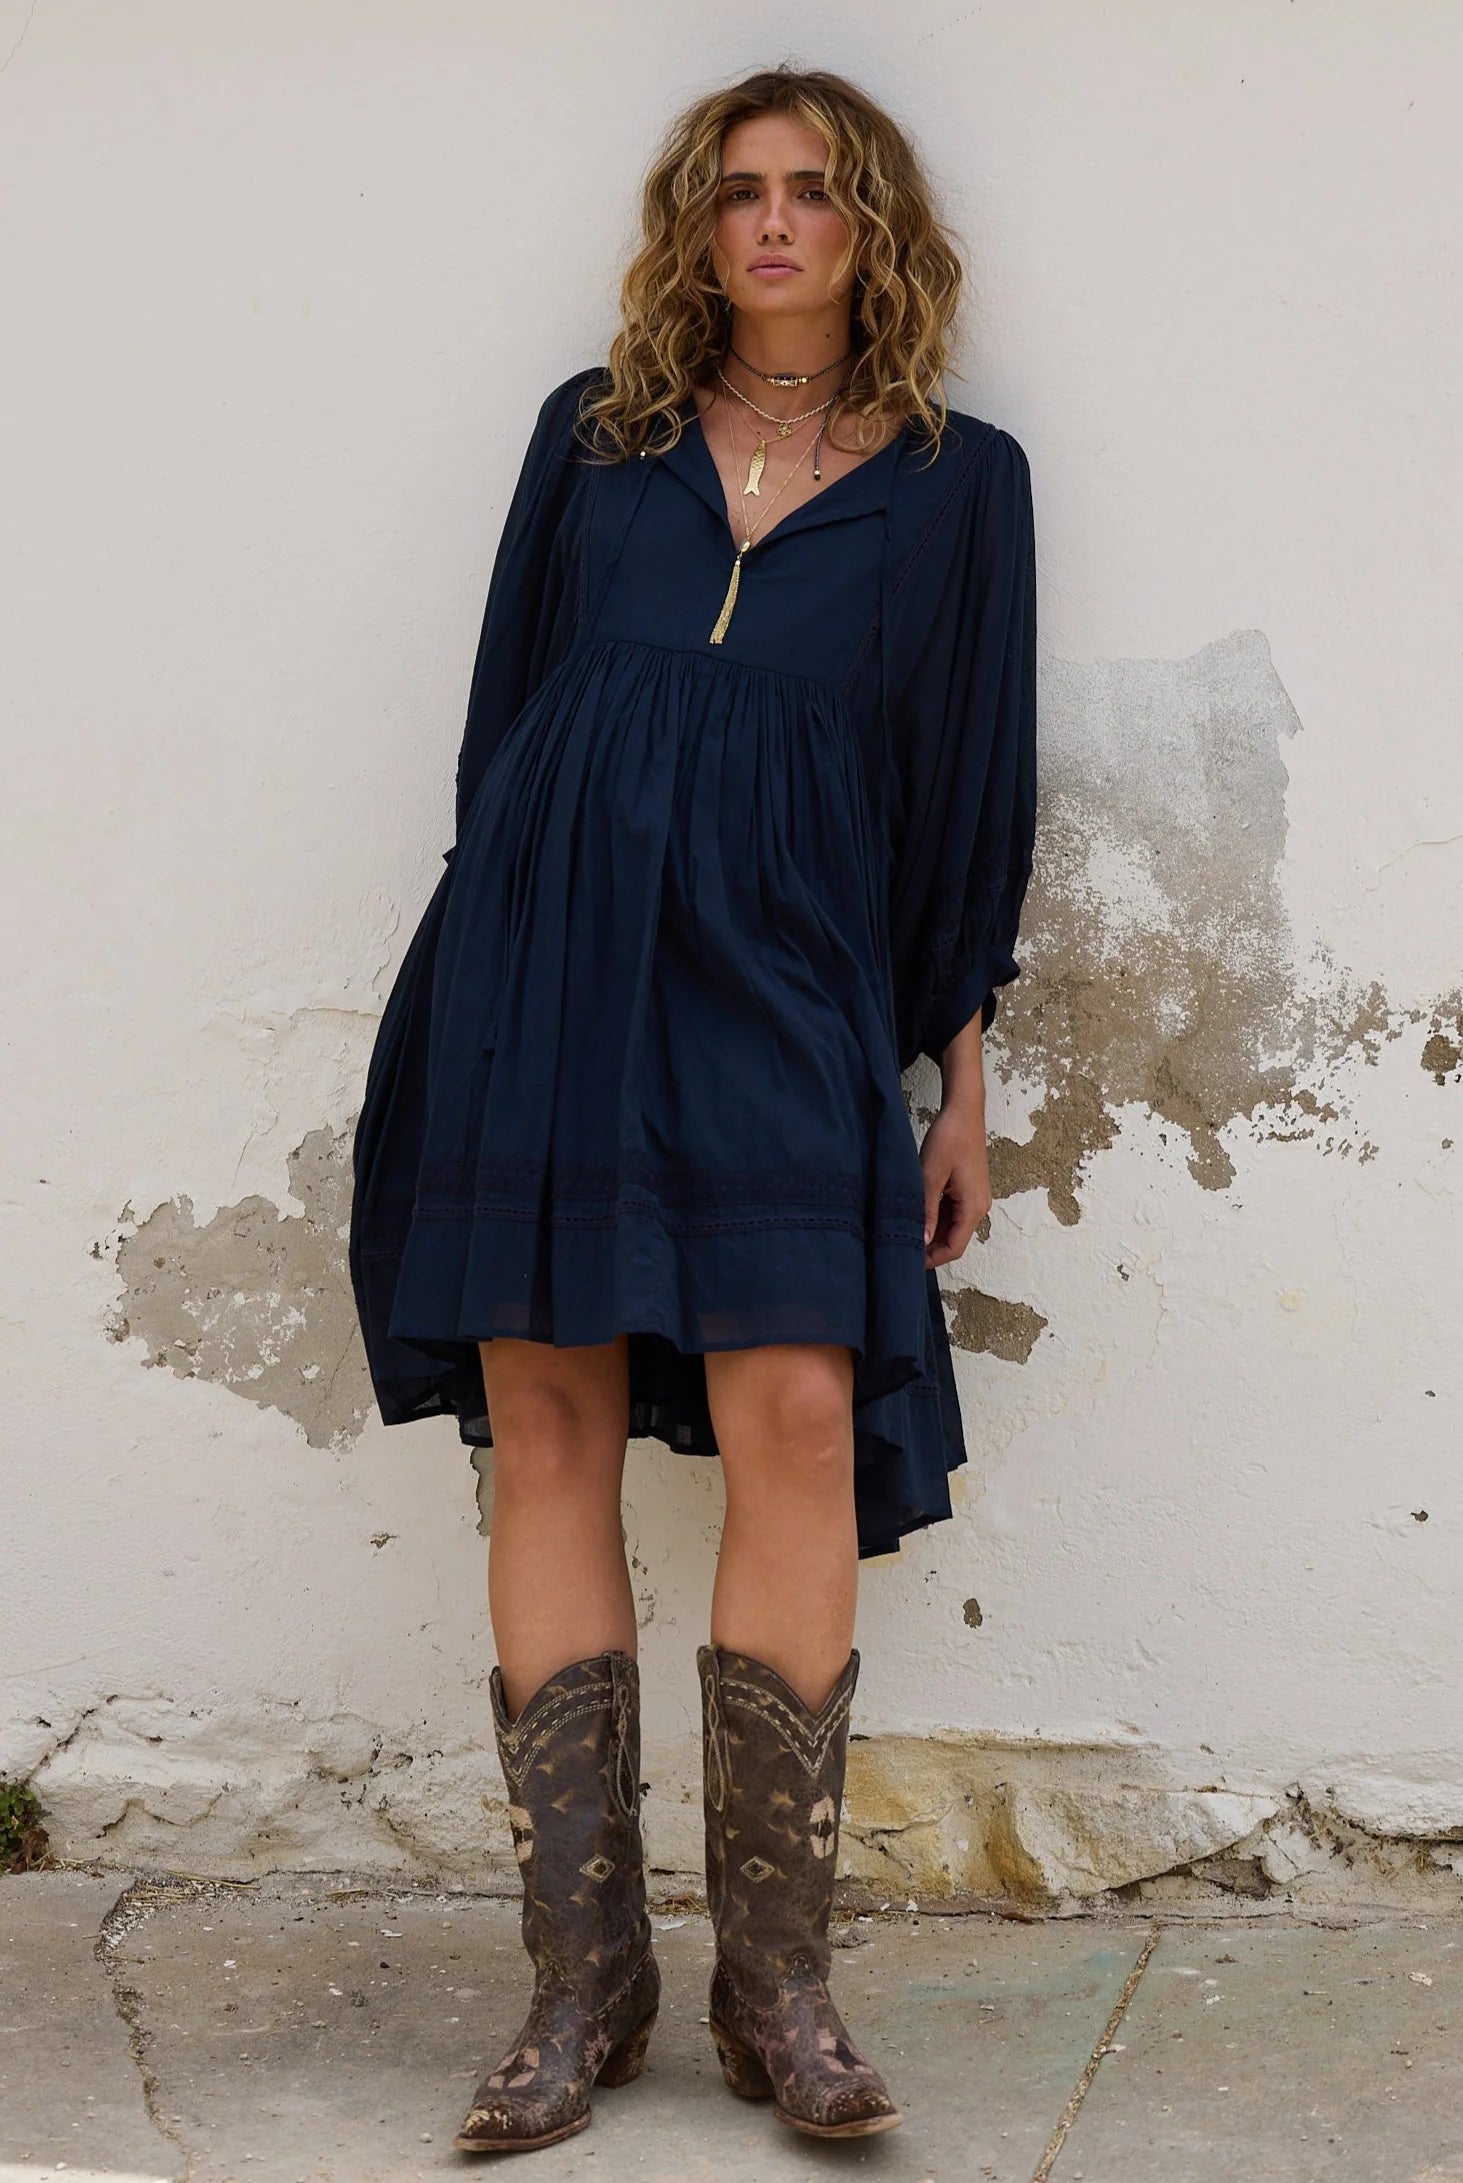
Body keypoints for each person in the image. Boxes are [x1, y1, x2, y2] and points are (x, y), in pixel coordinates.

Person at [348, 61, 1037, 2156]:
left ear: (872, 230)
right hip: (545, 971)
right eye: (737, 192)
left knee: (798, 1414)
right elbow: (502, 725)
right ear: (695, 223)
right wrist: (485, 973)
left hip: (788, 984)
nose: (770, 225)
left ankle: (779, 1989)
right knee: (544, 1413)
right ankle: (582, 1987)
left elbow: (966, 794)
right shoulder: (597, 439)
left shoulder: (956, 478)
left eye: (814, 194)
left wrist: (956, 1078)